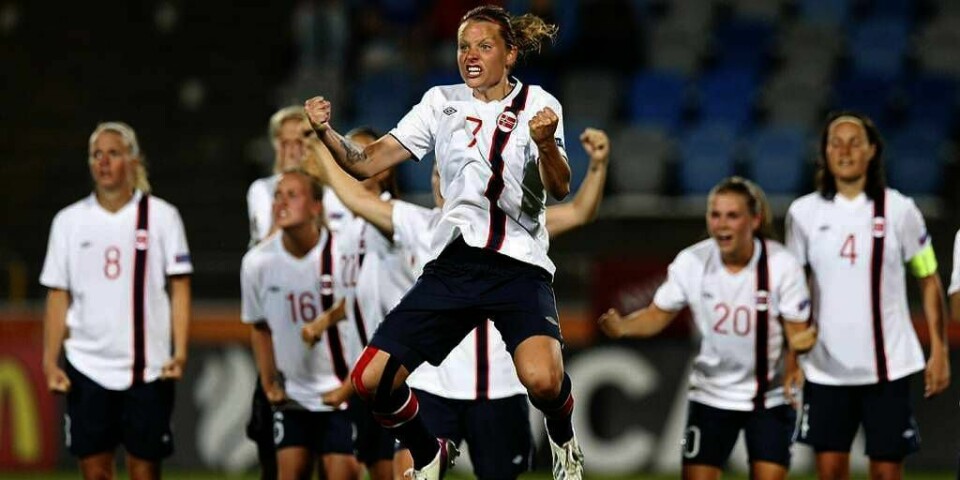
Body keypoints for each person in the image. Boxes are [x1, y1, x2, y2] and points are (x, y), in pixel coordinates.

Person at [305, 5, 584, 479]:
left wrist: (543, 143)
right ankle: (427, 450)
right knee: (371, 381)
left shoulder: (541, 105)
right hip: (455, 265)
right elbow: (366, 162)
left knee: (542, 380)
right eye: (463, 46)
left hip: (518, 264)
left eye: (484, 46)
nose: (470, 55)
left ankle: (562, 435)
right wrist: (325, 133)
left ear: (510, 54)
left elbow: (560, 187)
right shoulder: (441, 102)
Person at [309, 128, 609, 480]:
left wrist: (598, 165)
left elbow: (579, 212)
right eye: (440, 174)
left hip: (499, 387)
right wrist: (324, 151)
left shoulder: (518, 231)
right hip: (433, 386)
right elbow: (359, 201)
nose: (444, 183)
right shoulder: (419, 224)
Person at [597, 177, 816, 480]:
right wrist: (623, 326)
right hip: (711, 395)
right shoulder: (692, 261)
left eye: (732, 215)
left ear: (754, 220)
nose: (722, 224)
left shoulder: (781, 264)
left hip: (770, 398)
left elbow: (797, 331)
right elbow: (657, 315)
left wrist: (796, 362)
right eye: (715, 214)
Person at [785, 111, 950, 480]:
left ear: (872, 150)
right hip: (825, 368)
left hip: (888, 365)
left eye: (854, 142)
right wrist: (793, 356)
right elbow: (791, 290)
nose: (844, 150)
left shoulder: (901, 210)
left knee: (887, 473)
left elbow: (928, 277)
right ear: (825, 152)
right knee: (829, 471)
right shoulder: (802, 214)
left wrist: (939, 351)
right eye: (835, 142)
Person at [40, 122, 193, 480]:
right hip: (86, 365)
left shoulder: (162, 216)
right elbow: (57, 295)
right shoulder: (68, 221)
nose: (103, 162)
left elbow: (180, 289)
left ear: (134, 161)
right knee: (95, 473)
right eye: (96, 154)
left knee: (145, 472)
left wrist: (180, 351)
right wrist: (50, 362)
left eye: (113, 153)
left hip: (148, 368)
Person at [244, 105, 352, 480]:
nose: (293, 149)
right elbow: (258, 318)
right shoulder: (263, 191)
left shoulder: (338, 190)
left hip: (337, 360)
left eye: (302, 140)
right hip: (287, 343)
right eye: (285, 142)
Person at [303, 127, 400, 480]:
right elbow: (357, 296)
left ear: (384, 168)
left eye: (359, 156)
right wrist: (325, 321)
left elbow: (390, 306)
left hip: (389, 373)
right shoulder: (353, 229)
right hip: (361, 369)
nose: (351, 164)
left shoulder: (393, 218)